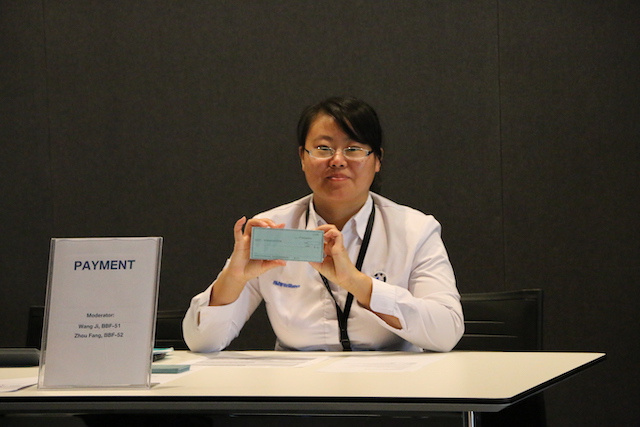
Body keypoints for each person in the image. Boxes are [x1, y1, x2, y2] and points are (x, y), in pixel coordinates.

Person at [183, 96, 463, 353]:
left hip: (391, 386)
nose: (337, 160)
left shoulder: (415, 230)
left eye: (353, 149)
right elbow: (201, 342)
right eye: (323, 148)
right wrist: (234, 277)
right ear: (302, 158)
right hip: (295, 386)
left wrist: (356, 282)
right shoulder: (272, 230)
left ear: (377, 159)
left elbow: (446, 332)